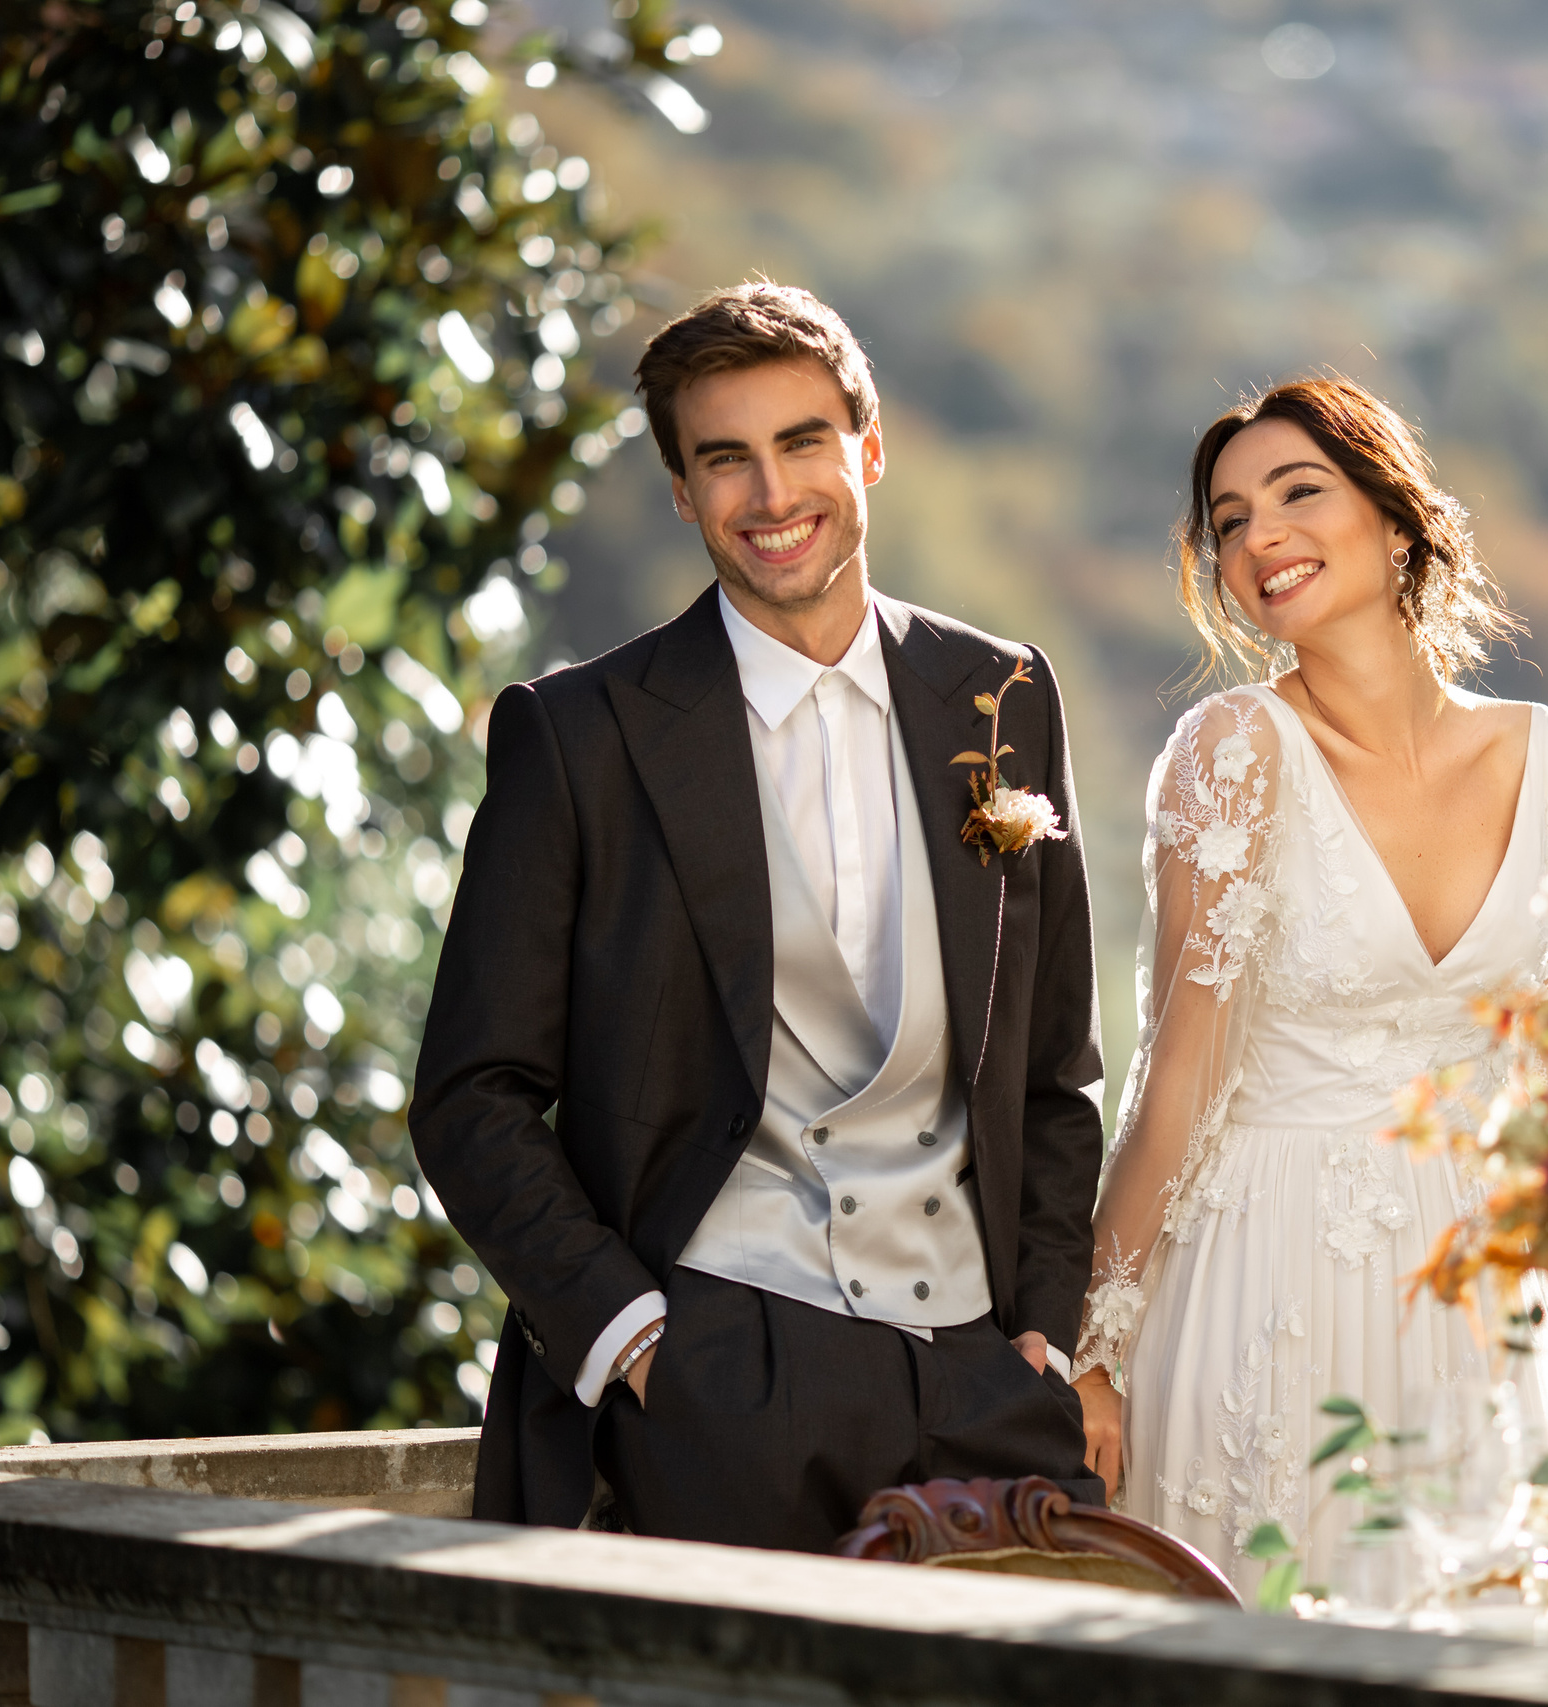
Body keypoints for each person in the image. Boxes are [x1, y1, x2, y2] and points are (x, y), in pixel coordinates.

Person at [411, 281, 1107, 1549]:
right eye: (724, 458)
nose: (771, 493)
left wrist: (1043, 1338)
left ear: (869, 451)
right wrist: (636, 1343)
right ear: (683, 492)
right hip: (721, 1373)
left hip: (980, 1375)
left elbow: (1054, 1072)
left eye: (801, 442)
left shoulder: (1001, 694)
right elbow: (472, 1095)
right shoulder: (580, 735)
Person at [1067, 377, 1548, 1592]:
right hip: (1264, 1276)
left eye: (1297, 493)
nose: (1259, 536)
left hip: (1479, 1295)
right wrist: (1097, 1344)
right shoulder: (1233, 750)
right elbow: (1177, 1076)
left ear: (1394, 515)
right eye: (1228, 522)